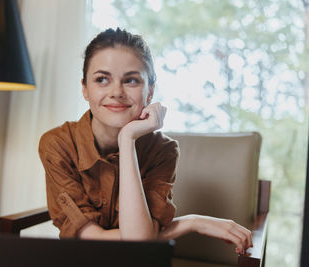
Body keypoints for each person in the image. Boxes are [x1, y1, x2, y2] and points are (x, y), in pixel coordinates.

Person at [39, 28, 252, 255]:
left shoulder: (164, 151)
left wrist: (127, 139)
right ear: (84, 89)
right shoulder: (57, 144)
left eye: (130, 80)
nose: (116, 92)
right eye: (102, 79)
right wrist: (191, 223)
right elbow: (110, 240)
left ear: (150, 91)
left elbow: (138, 243)